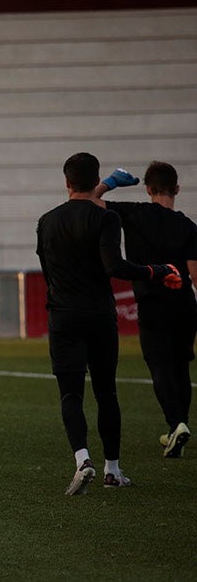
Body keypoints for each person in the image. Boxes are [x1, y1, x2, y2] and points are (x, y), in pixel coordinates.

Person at [36, 153, 180, 496]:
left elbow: (47, 273)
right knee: (106, 393)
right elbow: (115, 266)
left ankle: (82, 459)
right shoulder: (106, 218)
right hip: (99, 315)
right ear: (95, 179)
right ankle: (112, 471)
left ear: (67, 182)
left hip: (63, 315)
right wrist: (156, 271)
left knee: (71, 393)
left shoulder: (46, 221)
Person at [94, 161, 196, 458]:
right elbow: (195, 274)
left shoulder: (134, 213)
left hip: (153, 302)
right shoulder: (189, 227)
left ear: (148, 189)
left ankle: (176, 424)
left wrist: (109, 183)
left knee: (160, 366)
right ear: (176, 189)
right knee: (181, 367)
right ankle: (181, 427)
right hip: (184, 304)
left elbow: (89, 203)